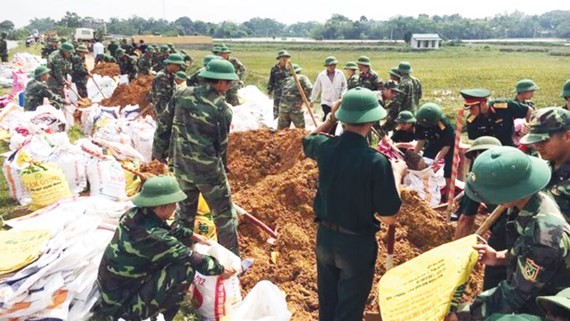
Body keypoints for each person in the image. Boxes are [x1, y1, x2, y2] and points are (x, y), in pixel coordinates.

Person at [303, 87, 406, 321]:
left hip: (325, 239)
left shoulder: (326, 148)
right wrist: (397, 174)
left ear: (344, 118)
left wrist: (330, 118)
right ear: (372, 120)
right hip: (355, 245)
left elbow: (308, 140)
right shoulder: (376, 162)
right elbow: (389, 216)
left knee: (327, 307)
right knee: (349, 311)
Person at [97, 175, 236, 321]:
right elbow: (193, 258)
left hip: (112, 294)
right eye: (173, 204)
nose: (175, 208)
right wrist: (221, 269)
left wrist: (192, 235)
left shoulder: (133, 215)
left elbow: (167, 229)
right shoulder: (156, 238)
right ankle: (161, 317)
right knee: (185, 267)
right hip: (123, 307)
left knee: (170, 261)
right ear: (162, 206)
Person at [464, 146, 570, 319]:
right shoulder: (528, 201)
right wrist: (501, 257)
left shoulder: (544, 233)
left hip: (551, 308)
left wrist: (463, 314)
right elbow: (527, 250)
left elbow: (515, 293)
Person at [152, 59, 240, 255]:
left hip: (181, 167)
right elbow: (221, 145)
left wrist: (159, 154)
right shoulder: (222, 109)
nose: (229, 87)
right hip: (208, 172)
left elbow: (163, 126)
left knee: (184, 215)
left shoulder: (181, 94)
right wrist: (222, 168)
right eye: (229, 83)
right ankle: (231, 261)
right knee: (224, 217)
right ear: (221, 82)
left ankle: (181, 255)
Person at [453, 136, 507, 291]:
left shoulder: (478, 178)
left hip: (504, 231)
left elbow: (465, 220)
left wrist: (456, 252)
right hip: (530, 230)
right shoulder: (512, 169)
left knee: (495, 281)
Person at [520, 107, 570, 221]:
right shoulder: (543, 168)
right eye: (535, 141)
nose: (537, 146)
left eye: (543, 140)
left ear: (567, 136)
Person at [460, 88, 532, 146]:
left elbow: (528, 110)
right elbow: (475, 142)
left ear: (482, 104)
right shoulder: (471, 120)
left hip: (508, 148)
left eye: (472, 108)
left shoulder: (504, 106)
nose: (470, 112)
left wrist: (528, 126)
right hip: (487, 152)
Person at [414, 103, 456, 192]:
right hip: (433, 141)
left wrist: (437, 159)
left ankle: (448, 195)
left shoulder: (446, 127)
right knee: (425, 160)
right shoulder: (419, 122)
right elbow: (421, 140)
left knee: (449, 170)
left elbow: (446, 146)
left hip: (448, 144)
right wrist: (414, 154)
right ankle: (424, 188)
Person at [310, 56, 347, 134]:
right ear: (327, 66)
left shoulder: (340, 74)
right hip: (326, 101)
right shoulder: (321, 75)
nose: (332, 67)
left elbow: (344, 86)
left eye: (334, 65)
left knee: (336, 118)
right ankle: (325, 133)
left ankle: (332, 134)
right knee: (328, 118)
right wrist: (312, 99)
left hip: (337, 101)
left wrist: (342, 95)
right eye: (330, 65)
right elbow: (316, 88)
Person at [278, 63, 312, 130]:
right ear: (299, 71)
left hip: (283, 108)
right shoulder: (302, 78)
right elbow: (309, 88)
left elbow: (281, 92)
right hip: (295, 108)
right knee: (300, 131)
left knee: (281, 132)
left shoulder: (286, 80)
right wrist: (303, 101)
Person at [267, 50, 292, 119]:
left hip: (288, 93)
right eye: (283, 57)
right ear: (279, 59)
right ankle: (276, 122)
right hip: (278, 92)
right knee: (277, 109)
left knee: (288, 109)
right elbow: (271, 80)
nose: (285, 59)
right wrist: (270, 91)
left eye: (286, 57)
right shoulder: (274, 68)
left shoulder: (291, 68)